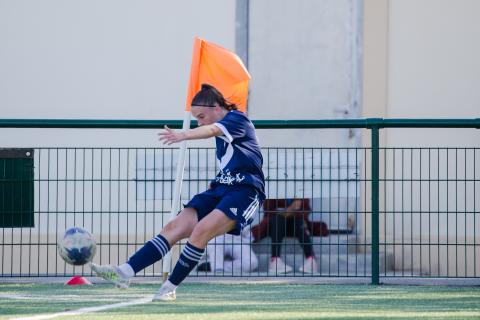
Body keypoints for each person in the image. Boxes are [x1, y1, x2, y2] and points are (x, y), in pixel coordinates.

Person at [90, 84, 265, 301]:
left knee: (201, 230)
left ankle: (169, 287)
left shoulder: (238, 119)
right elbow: (214, 135)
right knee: (174, 227)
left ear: (217, 108)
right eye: (196, 118)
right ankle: (124, 272)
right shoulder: (224, 128)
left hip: (245, 191)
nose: (199, 122)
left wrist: (184, 135)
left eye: (201, 116)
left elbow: (210, 130)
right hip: (221, 188)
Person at [252, 198, 325, 274]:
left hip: (295, 223)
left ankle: (311, 260)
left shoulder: (300, 191)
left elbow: (306, 210)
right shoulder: (275, 189)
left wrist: (291, 212)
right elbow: (268, 211)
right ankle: (275, 260)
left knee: (300, 221)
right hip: (276, 226)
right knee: (277, 220)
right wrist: (288, 211)